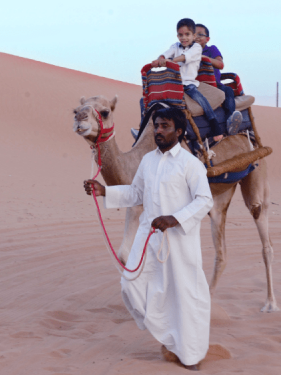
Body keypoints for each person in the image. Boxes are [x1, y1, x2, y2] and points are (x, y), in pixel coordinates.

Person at [85, 107, 213, 371]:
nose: (158, 131)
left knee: (184, 296)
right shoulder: (148, 161)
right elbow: (135, 193)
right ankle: (169, 338)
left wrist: (174, 219)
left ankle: (191, 355)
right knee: (130, 284)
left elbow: (204, 201)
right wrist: (104, 192)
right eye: (156, 125)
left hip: (179, 242)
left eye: (165, 126)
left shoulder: (191, 164)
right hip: (148, 238)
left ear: (178, 130)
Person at [195, 24, 243, 135]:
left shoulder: (211, 49)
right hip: (195, 85)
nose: (196, 37)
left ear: (207, 39)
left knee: (228, 91)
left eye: (200, 34)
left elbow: (220, 64)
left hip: (214, 85)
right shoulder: (187, 52)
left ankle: (230, 120)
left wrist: (205, 58)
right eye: (194, 34)